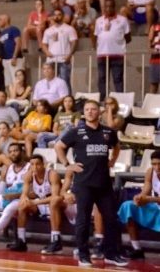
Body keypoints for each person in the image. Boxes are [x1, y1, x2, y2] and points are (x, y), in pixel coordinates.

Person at [55, 100, 129, 267]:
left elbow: (117, 147)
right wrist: (67, 164)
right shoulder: (76, 132)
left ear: (99, 112)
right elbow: (58, 146)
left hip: (104, 183)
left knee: (111, 219)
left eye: (93, 109)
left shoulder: (108, 132)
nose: (89, 112)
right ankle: (83, 255)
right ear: (84, 113)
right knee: (83, 220)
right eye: (87, 109)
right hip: (84, 184)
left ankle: (111, 254)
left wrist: (112, 160)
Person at [12, 155, 76, 254]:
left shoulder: (52, 174)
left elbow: (55, 197)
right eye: (32, 164)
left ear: (43, 165)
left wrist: (35, 202)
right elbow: (24, 194)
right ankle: (21, 240)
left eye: (37, 164)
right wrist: (24, 198)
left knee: (54, 201)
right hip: (42, 204)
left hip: (57, 205)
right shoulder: (28, 175)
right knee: (22, 205)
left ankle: (56, 240)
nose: (35, 167)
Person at [117, 151, 160, 260]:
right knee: (128, 206)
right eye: (154, 164)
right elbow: (146, 190)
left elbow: (149, 198)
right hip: (156, 206)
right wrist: (139, 198)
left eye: (159, 164)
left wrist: (149, 199)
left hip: (155, 203)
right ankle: (137, 248)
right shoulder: (150, 172)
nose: (157, 167)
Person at [93, 0, 131, 99]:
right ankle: (103, 99)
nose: (108, 9)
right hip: (102, 54)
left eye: (111, 6)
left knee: (118, 78)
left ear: (115, 7)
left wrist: (117, 43)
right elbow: (95, 36)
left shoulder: (122, 20)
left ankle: (120, 99)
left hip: (117, 54)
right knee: (102, 78)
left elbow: (128, 37)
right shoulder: (99, 20)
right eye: (106, 6)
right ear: (104, 8)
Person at [41, 8, 77, 88]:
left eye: (59, 15)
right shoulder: (48, 30)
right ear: (52, 16)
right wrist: (47, 52)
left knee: (65, 82)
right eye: (55, 15)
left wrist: (69, 55)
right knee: (50, 81)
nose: (57, 17)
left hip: (64, 59)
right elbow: (44, 44)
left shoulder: (69, 28)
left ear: (63, 16)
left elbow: (74, 42)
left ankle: (67, 96)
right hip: (51, 60)